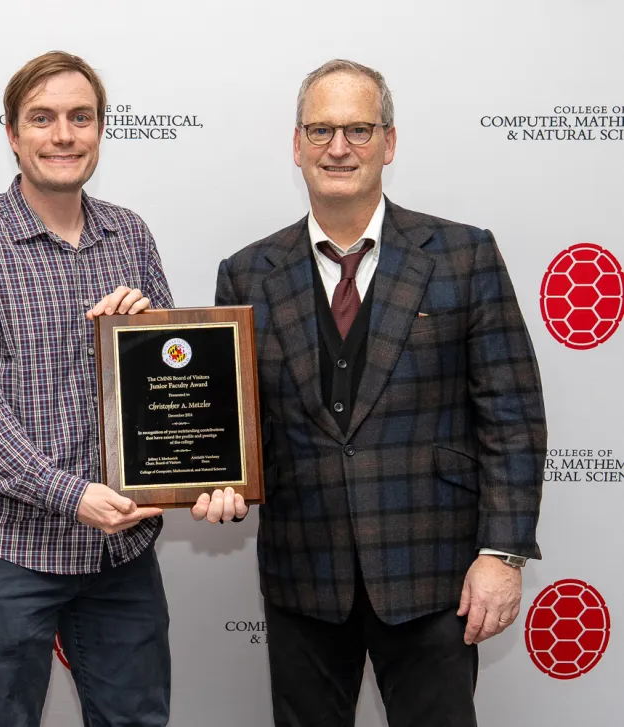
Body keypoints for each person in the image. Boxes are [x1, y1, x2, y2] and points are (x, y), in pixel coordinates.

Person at [196, 59, 547, 726]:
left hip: (433, 575)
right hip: (303, 575)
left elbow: (512, 418)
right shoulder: (246, 273)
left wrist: (502, 553)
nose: (338, 148)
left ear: (389, 142)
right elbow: (241, 429)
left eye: (358, 129)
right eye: (321, 130)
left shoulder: (463, 256)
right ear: (295, 144)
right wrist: (221, 481)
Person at [0, 51, 175, 727]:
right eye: (43, 118)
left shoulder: (132, 236)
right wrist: (72, 493)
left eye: (80, 117)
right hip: (11, 555)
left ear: (99, 129)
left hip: (121, 553)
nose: (63, 134)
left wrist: (150, 334)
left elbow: (175, 381)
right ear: (11, 132)